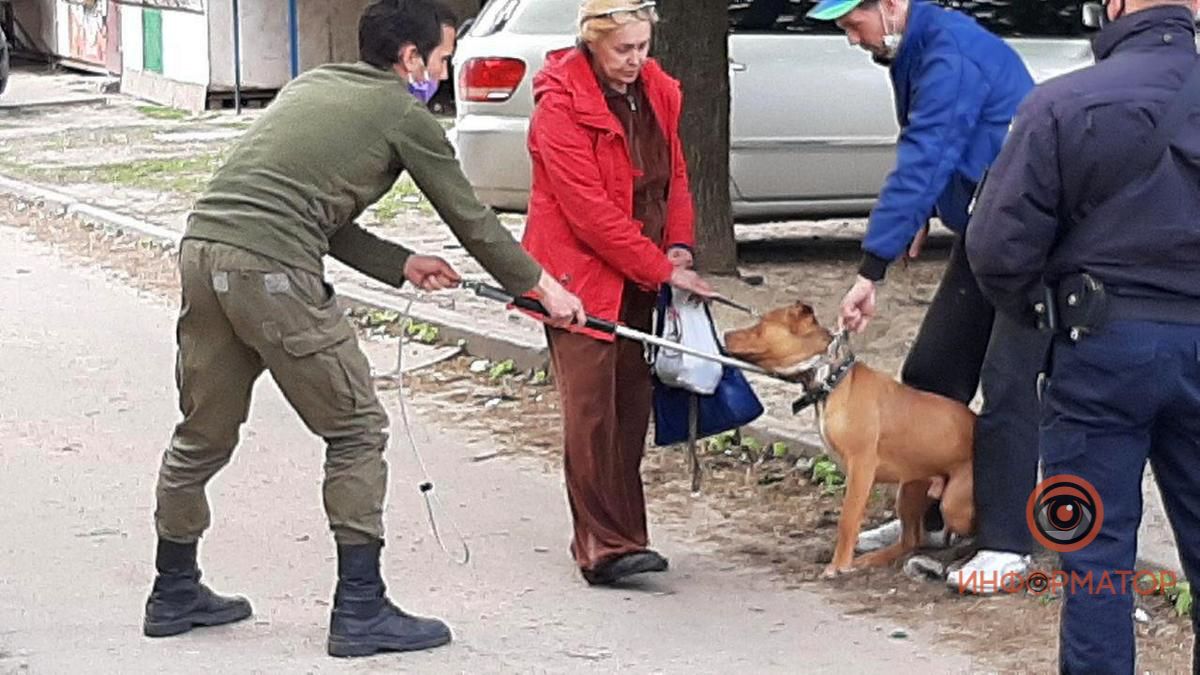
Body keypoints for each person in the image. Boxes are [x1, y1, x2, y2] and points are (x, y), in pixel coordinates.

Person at [143, 0, 585, 658]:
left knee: (202, 431)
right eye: (441, 60)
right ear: (409, 59)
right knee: (354, 429)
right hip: (272, 273)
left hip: (206, 253)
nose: (444, 72)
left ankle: (173, 587)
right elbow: (472, 218)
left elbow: (306, 207)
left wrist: (399, 263)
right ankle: (360, 609)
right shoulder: (404, 112)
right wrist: (544, 288)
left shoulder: (315, 84)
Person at [967, 0, 1200, 669]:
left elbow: (996, 247)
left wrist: (1047, 315)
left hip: (1098, 350)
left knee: (1096, 563)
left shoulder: (1061, 104)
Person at [807, 0, 1046, 587]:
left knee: (1009, 384)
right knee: (933, 370)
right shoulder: (912, 46)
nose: (849, 37)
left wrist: (872, 268)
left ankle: (1008, 542)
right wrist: (926, 211)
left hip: (1032, 239)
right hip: (984, 227)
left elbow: (927, 154)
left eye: (850, 22)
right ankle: (926, 519)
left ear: (889, 6)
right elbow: (938, 151)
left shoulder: (948, 55)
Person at [521, 0, 715, 586]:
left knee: (630, 405)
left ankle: (628, 536)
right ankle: (600, 545)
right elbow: (590, 215)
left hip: (642, 267)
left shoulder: (656, 90)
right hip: (576, 277)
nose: (635, 60)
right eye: (622, 49)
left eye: (642, 47)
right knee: (590, 410)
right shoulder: (558, 108)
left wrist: (678, 244)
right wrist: (662, 268)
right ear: (591, 42)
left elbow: (674, 173)